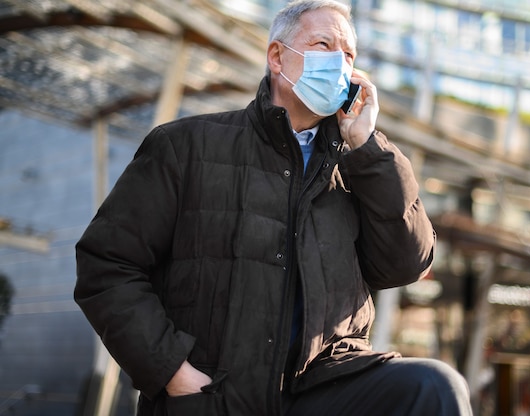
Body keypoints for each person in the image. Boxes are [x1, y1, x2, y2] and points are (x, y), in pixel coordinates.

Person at [74, 0, 472, 414]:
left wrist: (367, 148)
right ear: (277, 57)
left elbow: (407, 264)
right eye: (323, 44)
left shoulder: (358, 166)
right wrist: (174, 371)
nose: (339, 62)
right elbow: (107, 264)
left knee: (434, 386)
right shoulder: (185, 146)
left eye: (349, 54)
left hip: (324, 387)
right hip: (217, 393)